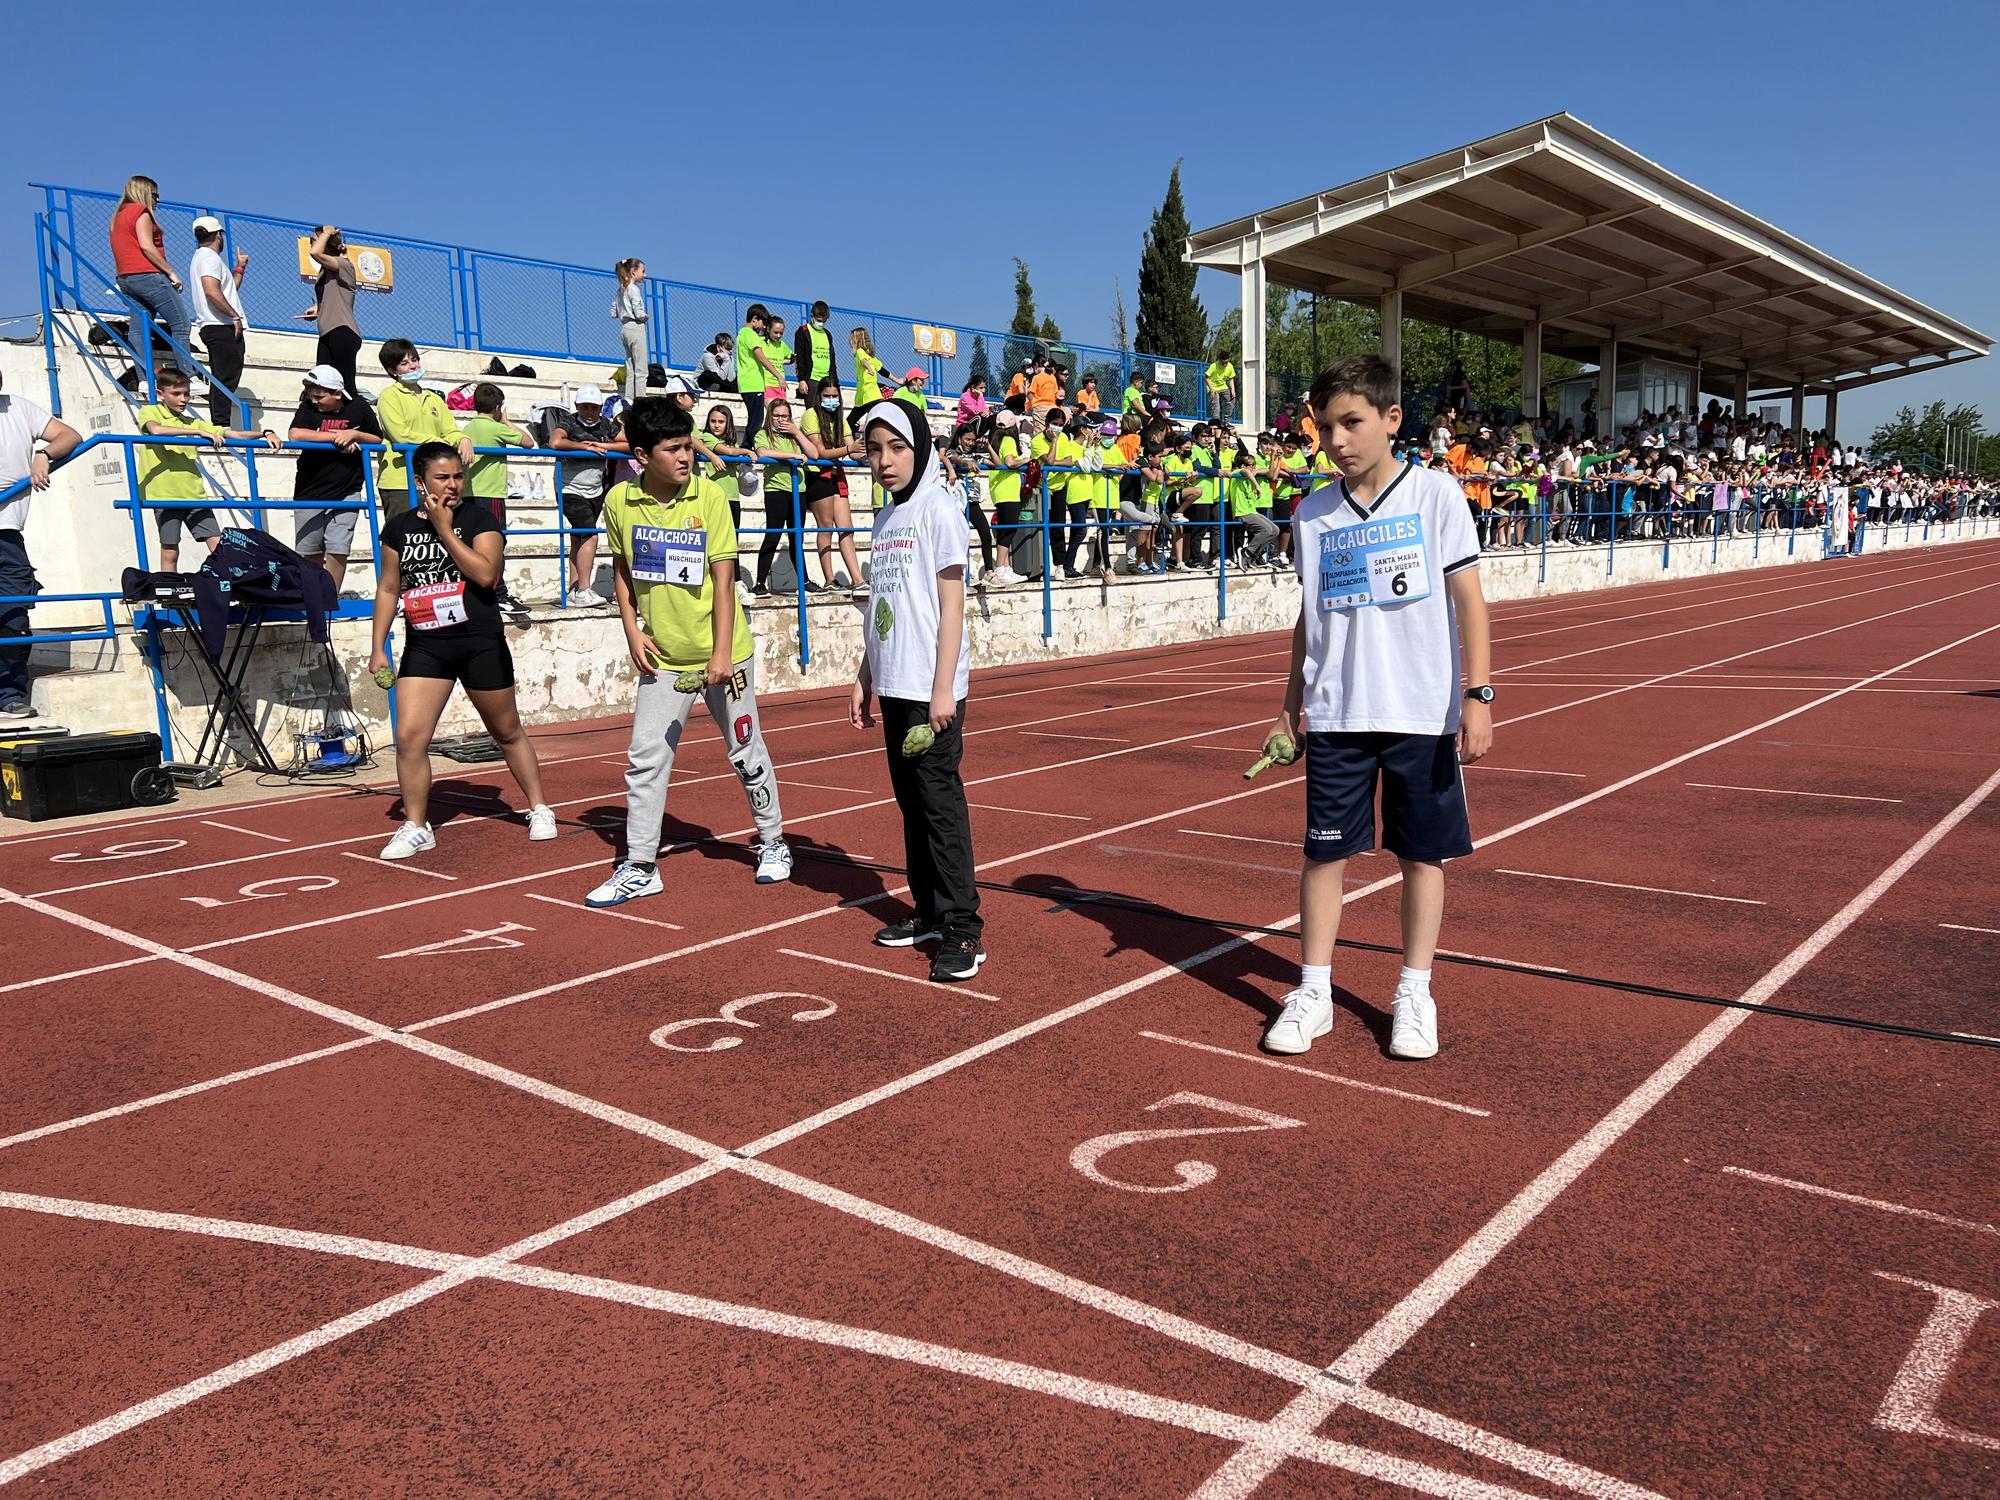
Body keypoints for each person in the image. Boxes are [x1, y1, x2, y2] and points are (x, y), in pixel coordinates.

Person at [1262, 354, 1491, 1064]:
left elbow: (1470, 601)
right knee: (1323, 856)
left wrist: (1477, 696)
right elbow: (1310, 615)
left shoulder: (1437, 496)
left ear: (1392, 420)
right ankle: (1314, 991)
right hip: (1337, 712)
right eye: (1325, 425)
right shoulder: (1313, 512)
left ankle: (1414, 991)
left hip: (1422, 712)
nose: (1336, 439)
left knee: (1422, 857)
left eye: (1351, 422)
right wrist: (1287, 708)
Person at [585, 398, 793, 904]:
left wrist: (721, 654)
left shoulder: (708, 498)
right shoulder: (618, 503)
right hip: (663, 658)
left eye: (689, 446)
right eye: (674, 449)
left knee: (745, 751)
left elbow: (725, 582)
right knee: (645, 760)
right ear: (640, 454)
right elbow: (623, 572)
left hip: (725, 654)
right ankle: (639, 864)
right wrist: (632, 632)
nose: (687, 457)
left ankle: (773, 841)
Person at [369, 441, 557, 861]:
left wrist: (444, 529)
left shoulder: (478, 519)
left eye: (458, 476)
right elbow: (387, 588)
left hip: (478, 641)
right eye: (442, 478)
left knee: (506, 731)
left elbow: (486, 573)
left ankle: (539, 807)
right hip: (426, 644)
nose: (453, 485)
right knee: (408, 738)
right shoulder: (398, 528)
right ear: (420, 482)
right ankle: (417, 825)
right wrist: (377, 646)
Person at [849, 400, 983, 982]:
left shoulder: (939, 510)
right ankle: (927, 911)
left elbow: (951, 606)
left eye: (896, 448)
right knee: (911, 806)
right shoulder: (885, 520)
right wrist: (865, 673)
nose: (884, 461)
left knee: (939, 807)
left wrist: (943, 689)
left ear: (920, 448)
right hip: (896, 681)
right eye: (874, 450)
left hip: (932, 690)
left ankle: (963, 929)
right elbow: (884, 605)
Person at [136, 368, 279, 571]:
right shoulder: (151, 412)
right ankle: (169, 593)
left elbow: (232, 434)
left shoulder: (191, 421)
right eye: (176, 394)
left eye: (186, 394)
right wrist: (196, 431)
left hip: (194, 494)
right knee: (170, 549)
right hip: (163, 494)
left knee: (218, 544)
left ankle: (231, 586)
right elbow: (155, 430)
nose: (183, 399)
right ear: (160, 394)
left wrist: (266, 432)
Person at [0, 372, 82, 716]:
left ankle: (8, 696)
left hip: (7, 533)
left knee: (14, 614)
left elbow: (71, 435)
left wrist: (43, 455)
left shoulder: (18, 407)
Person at [287, 364, 382, 590]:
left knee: (339, 548)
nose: (315, 401)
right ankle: (311, 596)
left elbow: (376, 438)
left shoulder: (359, 407)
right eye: (311, 396)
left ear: (337, 393)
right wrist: (334, 438)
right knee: (309, 550)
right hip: (309, 490)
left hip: (347, 489)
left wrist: (354, 434)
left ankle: (329, 597)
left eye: (320, 396)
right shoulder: (308, 408)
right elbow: (295, 433)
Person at [376, 339, 472, 523]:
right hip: (400, 481)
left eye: (415, 360)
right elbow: (401, 435)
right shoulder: (389, 396)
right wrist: (437, 442)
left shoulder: (434, 398)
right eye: (404, 363)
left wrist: (463, 438)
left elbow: (450, 430)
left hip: (434, 481)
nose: (412, 366)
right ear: (392, 370)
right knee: (402, 539)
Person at [460, 383, 533, 622]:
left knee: (473, 544)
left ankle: (477, 592)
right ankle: (498, 594)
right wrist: (506, 421)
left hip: (469, 493)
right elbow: (528, 442)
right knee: (494, 543)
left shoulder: (468, 427)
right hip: (490, 494)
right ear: (498, 407)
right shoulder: (495, 428)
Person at [109, 175, 195, 377]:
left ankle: (144, 378)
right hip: (147, 275)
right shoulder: (141, 212)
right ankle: (188, 376)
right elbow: (147, 246)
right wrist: (171, 272)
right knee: (181, 324)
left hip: (126, 278)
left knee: (138, 329)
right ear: (145, 193)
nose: (158, 200)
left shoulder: (118, 216)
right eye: (155, 195)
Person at [550, 384, 627, 607]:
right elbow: (556, 442)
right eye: (585, 407)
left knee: (579, 537)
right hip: (569, 488)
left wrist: (602, 444)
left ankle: (574, 589)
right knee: (590, 535)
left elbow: (629, 444)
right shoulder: (569, 421)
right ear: (577, 407)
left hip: (594, 489)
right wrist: (583, 447)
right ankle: (584, 588)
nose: (590, 413)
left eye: (594, 408)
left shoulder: (605, 424)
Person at [800, 376, 865, 594]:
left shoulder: (840, 418)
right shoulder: (810, 415)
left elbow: (854, 448)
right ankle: (830, 579)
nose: (831, 400)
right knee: (825, 527)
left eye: (835, 396)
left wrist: (866, 450)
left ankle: (858, 579)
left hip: (837, 474)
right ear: (819, 398)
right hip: (817, 475)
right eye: (827, 396)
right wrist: (850, 450)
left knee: (847, 529)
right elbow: (819, 453)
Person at [187, 217, 248, 424]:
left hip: (215, 324)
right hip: (220, 326)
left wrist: (240, 268)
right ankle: (220, 424)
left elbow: (226, 292)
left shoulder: (202, 258)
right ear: (218, 236)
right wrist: (234, 316)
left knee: (225, 375)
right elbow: (212, 291)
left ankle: (220, 423)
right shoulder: (209, 258)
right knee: (226, 377)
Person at [752, 397, 812, 594]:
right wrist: (792, 457)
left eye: (785, 416)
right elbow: (761, 453)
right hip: (776, 490)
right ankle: (760, 582)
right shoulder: (763, 434)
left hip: (798, 490)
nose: (780, 420)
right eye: (776, 416)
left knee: (797, 537)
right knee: (773, 535)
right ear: (770, 417)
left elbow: (814, 454)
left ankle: (804, 581)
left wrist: (796, 432)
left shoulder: (795, 435)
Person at [301, 225, 361, 400]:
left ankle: (363, 422)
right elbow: (335, 298)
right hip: (327, 331)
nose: (312, 244)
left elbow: (315, 253)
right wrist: (318, 309)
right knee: (322, 382)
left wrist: (326, 233)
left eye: (315, 240)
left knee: (345, 384)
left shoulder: (344, 264)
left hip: (342, 329)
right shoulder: (326, 271)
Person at [734, 304, 785, 441]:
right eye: (763, 323)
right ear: (755, 319)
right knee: (756, 421)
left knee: (754, 418)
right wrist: (778, 376)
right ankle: (748, 449)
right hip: (753, 383)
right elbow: (761, 357)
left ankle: (747, 449)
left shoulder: (741, 333)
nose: (763, 327)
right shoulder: (751, 334)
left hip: (746, 383)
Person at [611, 258, 648, 403]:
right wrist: (643, 317)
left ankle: (629, 399)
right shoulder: (634, 289)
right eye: (642, 271)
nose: (644, 274)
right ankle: (640, 400)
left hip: (624, 328)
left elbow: (613, 311)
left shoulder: (620, 290)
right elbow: (638, 309)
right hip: (635, 326)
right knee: (641, 369)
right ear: (633, 272)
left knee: (630, 367)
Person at [793, 300, 841, 402]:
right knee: (812, 414)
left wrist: (835, 382)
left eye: (823, 321)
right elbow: (799, 357)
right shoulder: (803, 332)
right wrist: (801, 379)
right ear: (812, 316)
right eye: (819, 320)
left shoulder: (827, 334)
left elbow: (832, 359)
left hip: (827, 381)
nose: (821, 323)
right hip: (812, 381)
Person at [850, 327, 890, 406]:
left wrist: (869, 368)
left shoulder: (859, 351)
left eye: (852, 339)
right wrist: (897, 380)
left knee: (857, 414)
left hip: (868, 391)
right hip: (864, 391)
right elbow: (882, 370)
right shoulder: (870, 356)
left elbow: (863, 361)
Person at [1205, 354, 1238, 424]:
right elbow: (1206, 377)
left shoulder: (1230, 366)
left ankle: (1226, 420)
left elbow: (1231, 379)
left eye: (1226, 362)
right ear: (1219, 360)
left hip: (1223, 387)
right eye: (1223, 363)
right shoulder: (1214, 366)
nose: (1225, 365)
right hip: (1213, 387)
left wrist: (1233, 390)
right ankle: (1216, 422)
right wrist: (1211, 389)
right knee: (1216, 405)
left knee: (1231, 399)